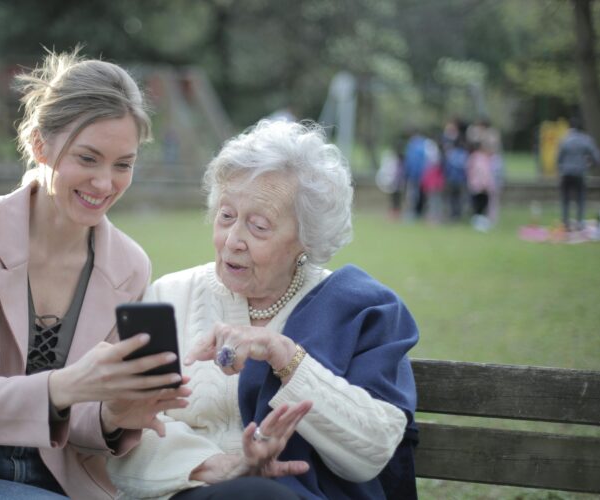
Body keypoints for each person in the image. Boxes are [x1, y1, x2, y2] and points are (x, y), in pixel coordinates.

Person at [0, 49, 191, 500]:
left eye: (122, 164)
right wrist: (67, 384)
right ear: (39, 144)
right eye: (87, 158)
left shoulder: (130, 264)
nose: (105, 183)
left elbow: (86, 424)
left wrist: (114, 414)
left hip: (69, 485)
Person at [107, 119, 420, 499]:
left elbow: (373, 451)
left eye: (258, 226)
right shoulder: (170, 295)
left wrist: (285, 355)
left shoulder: (361, 309)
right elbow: (125, 427)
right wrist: (216, 466)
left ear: (307, 237)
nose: (232, 240)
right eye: (226, 216)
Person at [557, 117, 600, 231]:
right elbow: (598, 157)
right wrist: (590, 165)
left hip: (566, 173)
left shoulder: (564, 140)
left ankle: (565, 223)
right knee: (580, 198)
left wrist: (562, 167)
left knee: (565, 199)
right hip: (579, 173)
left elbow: (558, 159)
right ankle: (580, 223)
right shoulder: (585, 140)